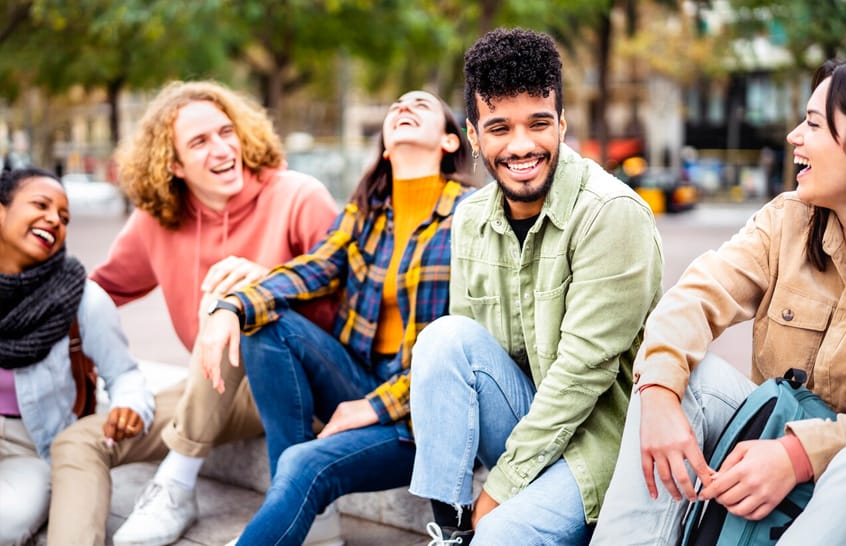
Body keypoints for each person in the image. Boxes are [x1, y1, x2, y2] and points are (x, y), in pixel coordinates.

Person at [46, 81, 339, 546]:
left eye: (226, 132)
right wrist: (76, 347)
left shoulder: (299, 196)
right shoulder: (157, 221)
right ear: (173, 164)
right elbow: (98, 291)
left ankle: (177, 484)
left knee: (230, 303)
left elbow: (348, 307)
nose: (222, 149)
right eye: (200, 142)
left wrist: (265, 283)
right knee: (77, 443)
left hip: (302, 390)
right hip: (214, 384)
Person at [407, 28, 664, 546]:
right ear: (475, 137)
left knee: (500, 533)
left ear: (563, 125)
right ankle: (450, 529)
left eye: (539, 123)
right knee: (442, 338)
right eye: (499, 127)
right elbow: (470, 367)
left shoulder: (610, 214)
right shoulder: (469, 218)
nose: (521, 145)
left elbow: (580, 377)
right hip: (530, 423)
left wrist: (500, 488)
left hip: (605, 442)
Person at [194, 89, 474, 545]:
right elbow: (313, 269)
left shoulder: (469, 216)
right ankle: (296, 505)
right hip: (359, 377)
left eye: (420, 106)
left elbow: (465, 350)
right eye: (396, 106)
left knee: (306, 463)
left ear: (448, 142)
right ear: (385, 144)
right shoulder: (365, 213)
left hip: (424, 414)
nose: (403, 108)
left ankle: (294, 497)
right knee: (266, 325)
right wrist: (233, 306)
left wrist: (374, 406)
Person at [591, 58, 846, 546]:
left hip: (833, 483)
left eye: (813, 124)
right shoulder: (789, 221)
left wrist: (799, 455)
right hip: (768, 448)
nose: (795, 136)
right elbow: (694, 296)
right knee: (690, 377)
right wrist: (661, 394)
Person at [0, 167, 154, 546]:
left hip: (32, 447)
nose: (54, 219)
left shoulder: (82, 299)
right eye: (40, 204)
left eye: (64, 217)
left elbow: (126, 376)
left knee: (6, 524)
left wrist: (131, 406)